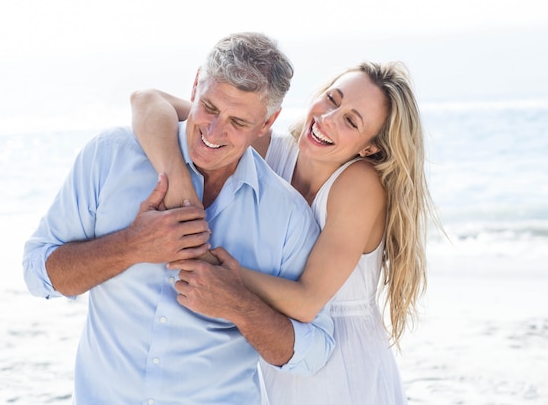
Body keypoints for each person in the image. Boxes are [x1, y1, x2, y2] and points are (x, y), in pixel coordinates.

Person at [22, 32, 335, 405]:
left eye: (238, 121)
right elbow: (38, 273)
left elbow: (314, 352)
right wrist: (130, 246)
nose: (215, 132)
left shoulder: (287, 217)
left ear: (267, 123)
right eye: (210, 108)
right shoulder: (110, 158)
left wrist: (238, 304)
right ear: (195, 85)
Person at [130, 61, 436, 404]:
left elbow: (306, 302)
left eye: (351, 120)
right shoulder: (270, 152)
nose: (328, 118)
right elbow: (147, 100)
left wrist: (216, 269)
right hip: (277, 351)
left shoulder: (360, 184)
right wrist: (180, 189)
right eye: (332, 99)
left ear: (370, 147)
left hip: (342, 366)